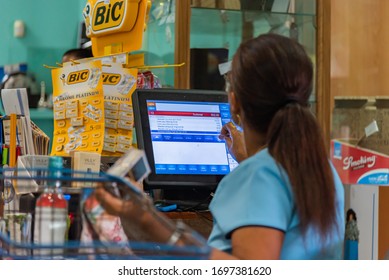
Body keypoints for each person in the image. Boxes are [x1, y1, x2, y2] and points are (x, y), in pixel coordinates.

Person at [95, 33, 345, 260]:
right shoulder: (319, 168)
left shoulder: (258, 175)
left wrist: (148, 220)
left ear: (234, 103)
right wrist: (249, 159)